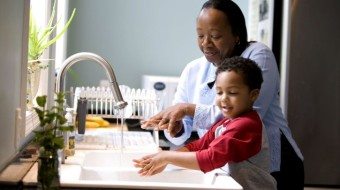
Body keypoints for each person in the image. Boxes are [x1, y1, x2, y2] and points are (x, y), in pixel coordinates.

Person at [141, 0, 304, 189]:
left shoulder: (259, 55)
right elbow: (201, 140)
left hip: (274, 170)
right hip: (226, 171)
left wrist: (184, 112)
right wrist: (175, 127)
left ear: (236, 35)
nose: (205, 43)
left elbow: (235, 119)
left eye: (215, 36)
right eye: (200, 35)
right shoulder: (193, 70)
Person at [135, 57, 277, 189]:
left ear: (253, 95)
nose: (223, 99)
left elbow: (210, 158)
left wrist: (167, 157)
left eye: (232, 93)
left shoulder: (247, 125)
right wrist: (166, 159)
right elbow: (198, 146)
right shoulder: (227, 121)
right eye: (219, 92)